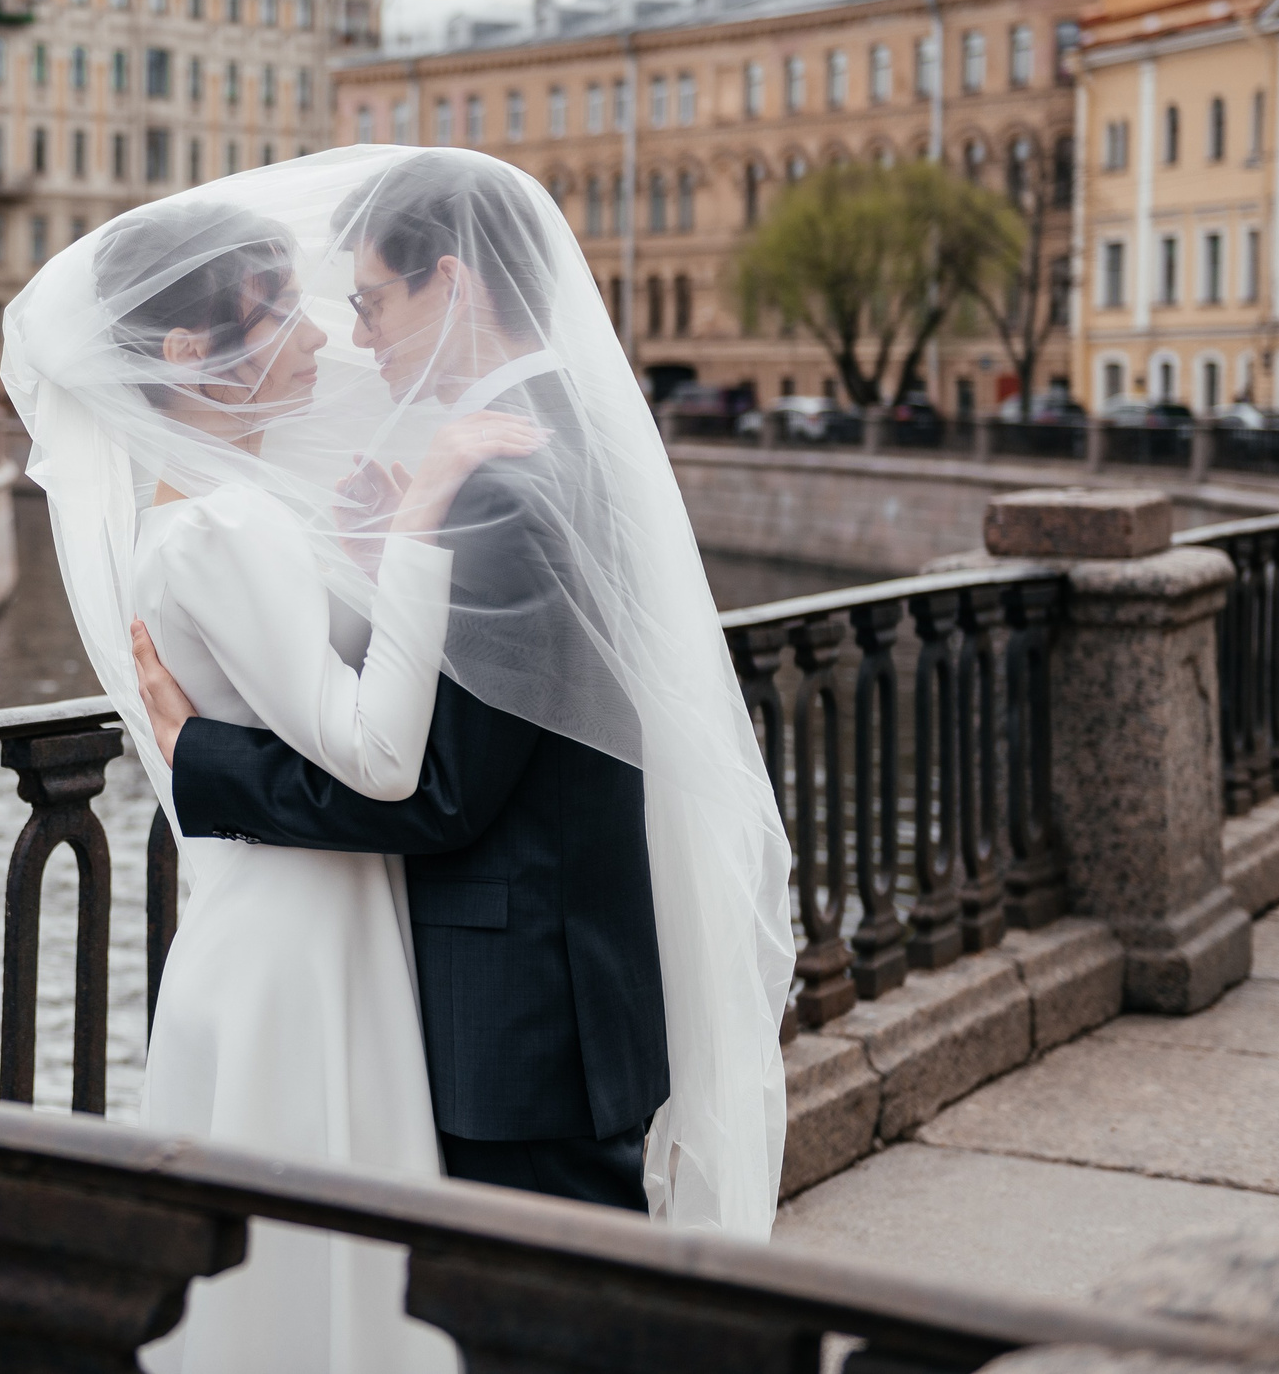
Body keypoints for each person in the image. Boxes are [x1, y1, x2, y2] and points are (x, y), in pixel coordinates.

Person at [127, 149, 794, 1236]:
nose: (358, 334)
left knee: (549, 1325)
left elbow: (436, 792)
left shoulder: (498, 484)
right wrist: (396, 555)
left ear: (456, 282)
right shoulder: (552, 441)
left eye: (372, 300)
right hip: (554, 988)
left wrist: (203, 758)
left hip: (517, 1018)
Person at [2, 190, 536, 1374]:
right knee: (322, 1277)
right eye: (278, 313)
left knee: (290, 1282)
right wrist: (425, 518)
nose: (315, 338)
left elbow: (295, 693)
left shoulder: (209, 511)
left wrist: (355, 558)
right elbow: (381, 756)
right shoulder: (222, 525)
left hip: (281, 926)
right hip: (301, 950)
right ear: (191, 354)